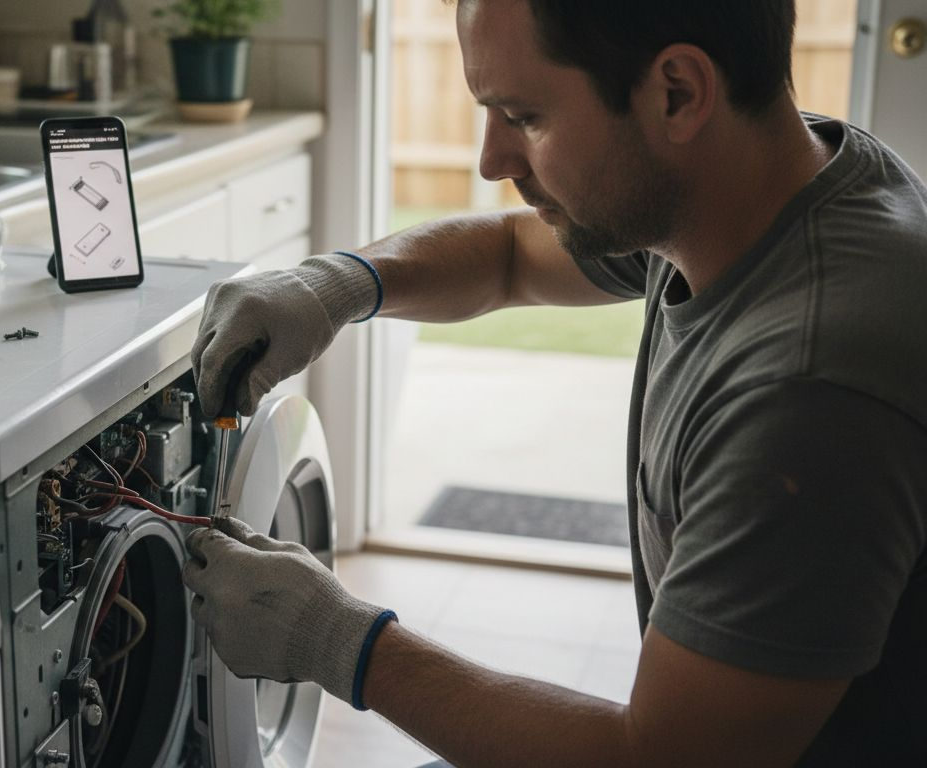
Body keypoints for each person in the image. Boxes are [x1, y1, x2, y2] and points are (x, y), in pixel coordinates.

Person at [183, 0, 927, 765]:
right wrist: (336, 284)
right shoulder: (752, 186)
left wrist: (336, 640)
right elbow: (511, 255)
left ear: (677, 92)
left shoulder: (812, 394)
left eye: (522, 115)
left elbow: (659, 759)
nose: (492, 161)